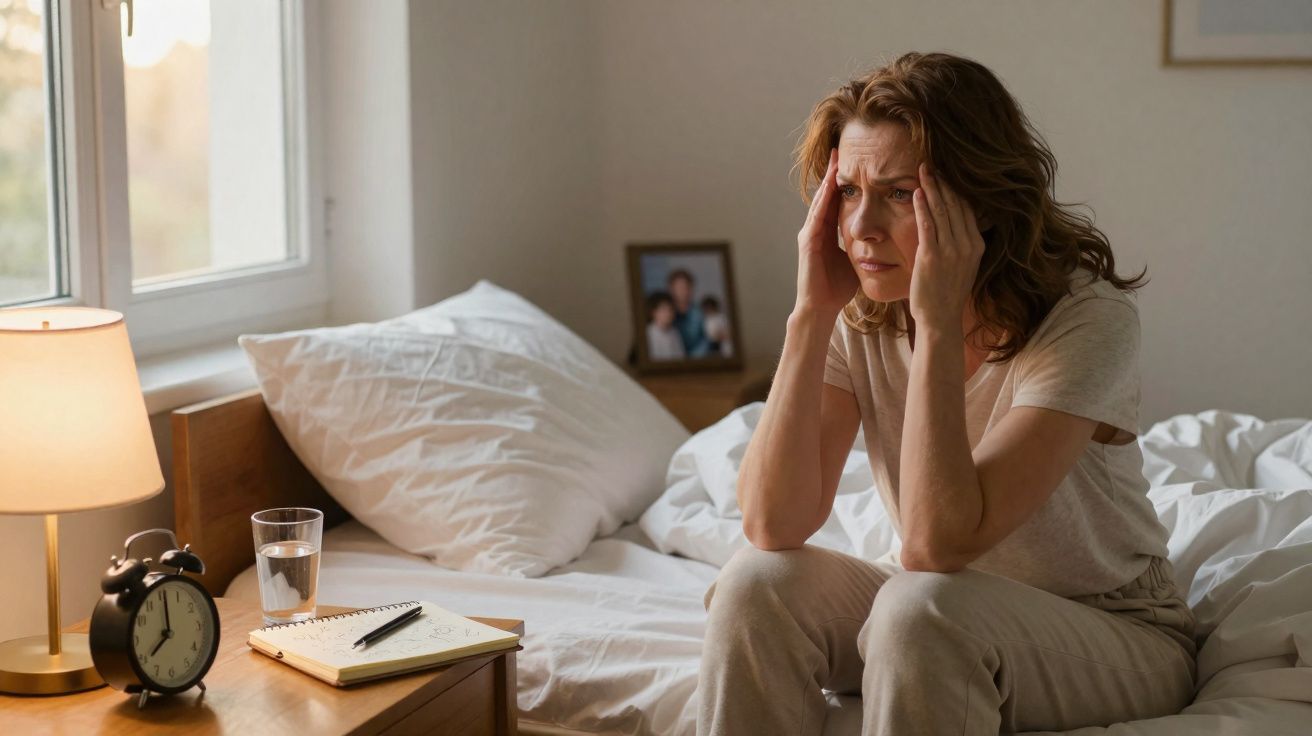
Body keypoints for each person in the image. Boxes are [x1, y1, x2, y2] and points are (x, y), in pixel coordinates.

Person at [698, 51, 1196, 736]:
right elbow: (772, 525)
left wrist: (936, 319)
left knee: (919, 607)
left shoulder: (1087, 319)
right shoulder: (862, 311)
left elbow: (936, 543)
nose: (862, 227)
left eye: (900, 193)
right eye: (848, 190)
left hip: (1115, 631)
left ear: (982, 201)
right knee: (753, 587)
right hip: (951, 607)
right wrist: (809, 315)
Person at [668, 268, 711, 357]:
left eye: (687, 287)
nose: (684, 291)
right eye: (679, 288)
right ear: (671, 290)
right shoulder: (664, 314)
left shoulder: (700, 313)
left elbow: (705, 341)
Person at [645, 291, 687, 361]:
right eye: (664, 309)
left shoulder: (675, 332)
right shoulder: (647, 333)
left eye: (671, 309)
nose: (668, 313)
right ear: (653, 312)